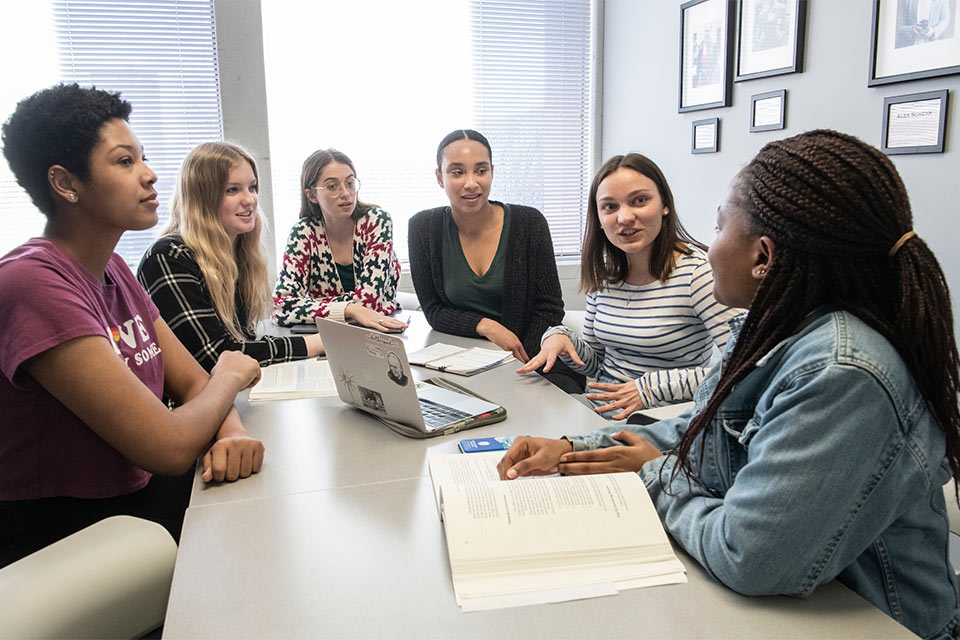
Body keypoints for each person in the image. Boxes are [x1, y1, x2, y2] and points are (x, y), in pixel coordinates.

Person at [498, 130, 960, 639]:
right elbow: (703, 434)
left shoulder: (842, 372)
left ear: (762, 256)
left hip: (868, 621)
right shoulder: (769, 327)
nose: (708, 247)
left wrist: (656, 475)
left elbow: (749, 556)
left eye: (718, 227)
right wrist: (572, 450)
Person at [0, 84, 265, 568]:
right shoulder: (32, 283)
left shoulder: (115, 270)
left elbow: (189, 380)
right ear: (65, 183)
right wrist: (230, 375)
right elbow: (168, 446)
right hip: (64, 532)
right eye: (125, 162)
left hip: (129, 502)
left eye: (141, 157)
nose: (149, 174)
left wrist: (229, 430)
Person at [518, 153, 741, 420]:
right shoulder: (605, 274)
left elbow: (744, 365)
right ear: (599, 219)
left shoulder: (697, 272)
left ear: (665, 205)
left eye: (639, 201)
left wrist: (648, 389)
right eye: (610, 207)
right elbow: (594, 363)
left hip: (665, 419)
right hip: (599, 410)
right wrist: (561, 338)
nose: (625, 217)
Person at [408, 129, 584, 393]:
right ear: (439, 177)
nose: (471, 183)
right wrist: (486, 326)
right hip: (464, 365)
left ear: (492, 171)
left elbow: (549, 309)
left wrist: (516, 361)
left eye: (480, 170)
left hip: (531, 362)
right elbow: (433, 310)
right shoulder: (423, 228)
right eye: (457, 172)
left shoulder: (530, 224)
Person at [138, 142, 324, 372]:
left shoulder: (236, 254)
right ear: (202, 198)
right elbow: (216, 355)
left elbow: (243, 341)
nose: (250, 200)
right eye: (232, 190)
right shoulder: (168, 257)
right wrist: (313, 344)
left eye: (252, 187)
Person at [273, 148, 405, 332]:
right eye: (332, 186)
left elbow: (370, 303)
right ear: (312, 195)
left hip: (377, 331)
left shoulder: (376, 222)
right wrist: (350, 308)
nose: (346, 193)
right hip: (325, 335)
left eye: (350, 183)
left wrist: (310, 305)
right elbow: (281, 307)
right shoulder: (303, 233)